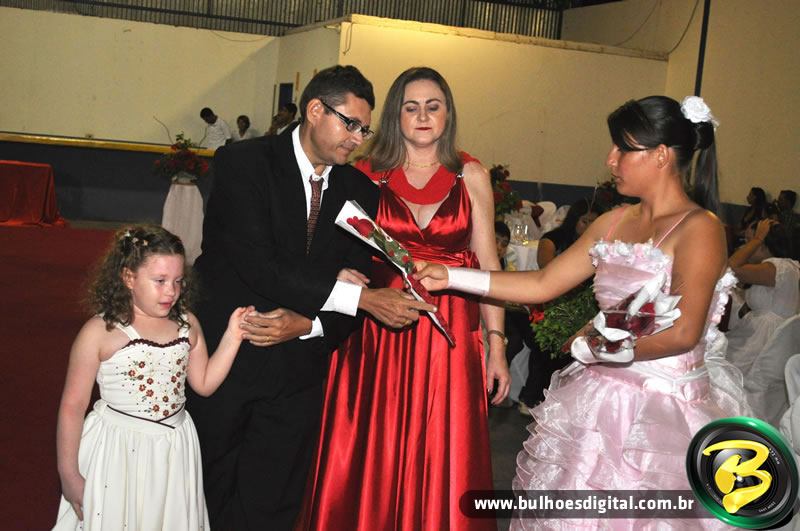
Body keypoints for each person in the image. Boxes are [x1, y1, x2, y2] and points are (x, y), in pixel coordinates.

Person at [416, 95, 750, 528]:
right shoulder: (613, 221)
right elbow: (542, 283)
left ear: (661, 155)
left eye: (623, 149)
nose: (610, 160)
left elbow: (685, 332)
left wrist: (596, 347)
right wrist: (452, 276)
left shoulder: (699, 228)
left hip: (662, 413)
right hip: (601, 399)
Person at [187, 65, 433, 530]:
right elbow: (258, 265)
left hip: (299, 368)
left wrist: (312, 324)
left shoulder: (359, 190)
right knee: (204, 489)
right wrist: (360, 300)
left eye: (364, 129)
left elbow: (359, 277)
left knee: (274, 501)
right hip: (225, 355)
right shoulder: (243, 163)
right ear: (315, 110)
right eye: (351, 124)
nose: (358, 139)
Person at [299, 67, 510, 531]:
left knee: (442, 451)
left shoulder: (471, 175)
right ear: (396, 115)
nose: (423, 116)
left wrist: (496, 344)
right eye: (411, 107)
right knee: (372, 450)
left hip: (450, 338)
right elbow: (329, 251)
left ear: (448, 113)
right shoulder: (364, 174)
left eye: (433, 106)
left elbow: (489, 267)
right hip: (378, 333)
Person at [53, 225, 250, 530]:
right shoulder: (100, 332)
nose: (171, 291)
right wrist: (68, 473)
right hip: (119, 449)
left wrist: (233, 337)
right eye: (159, 281)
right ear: (128, 277)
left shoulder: (186, 324)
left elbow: (204, 383)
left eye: (178, 281)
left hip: (174, 448)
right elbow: (72, 406)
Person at [726, 218, 800, 377]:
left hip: (765, 340)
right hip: (769, 336)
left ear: (763, 245)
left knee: (720, 366)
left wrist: (758, 238)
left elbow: (729, 268)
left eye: (748, 242)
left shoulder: (777, 267)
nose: (744, 248)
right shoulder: (787, 266)